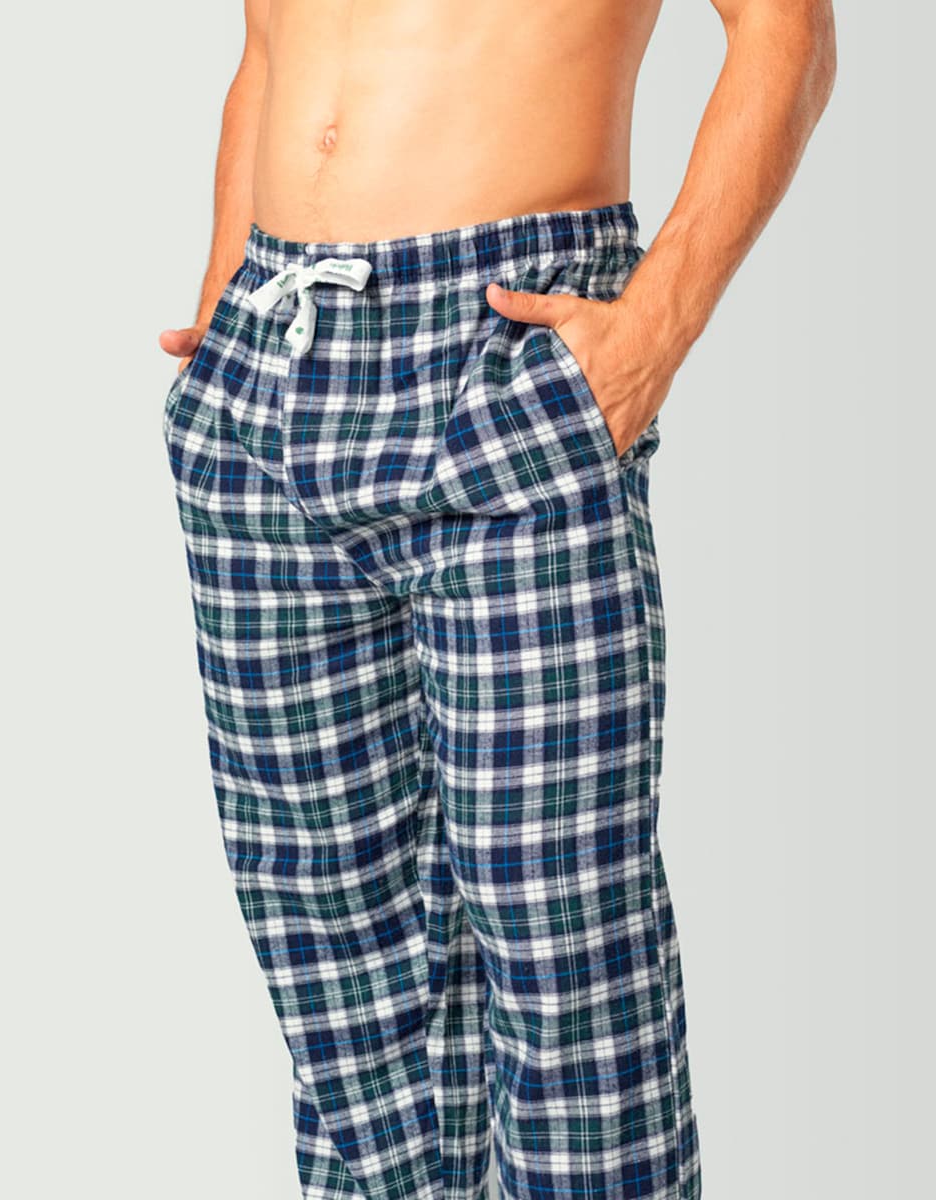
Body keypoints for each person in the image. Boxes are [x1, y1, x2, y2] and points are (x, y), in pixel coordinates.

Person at [158, 3, 836, 1198]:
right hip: (270, 360)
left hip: (502, 344)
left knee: (559, 927)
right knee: (333, 947)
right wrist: (224, 307)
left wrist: (652, 331)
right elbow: (269, 50)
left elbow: (789, 33)